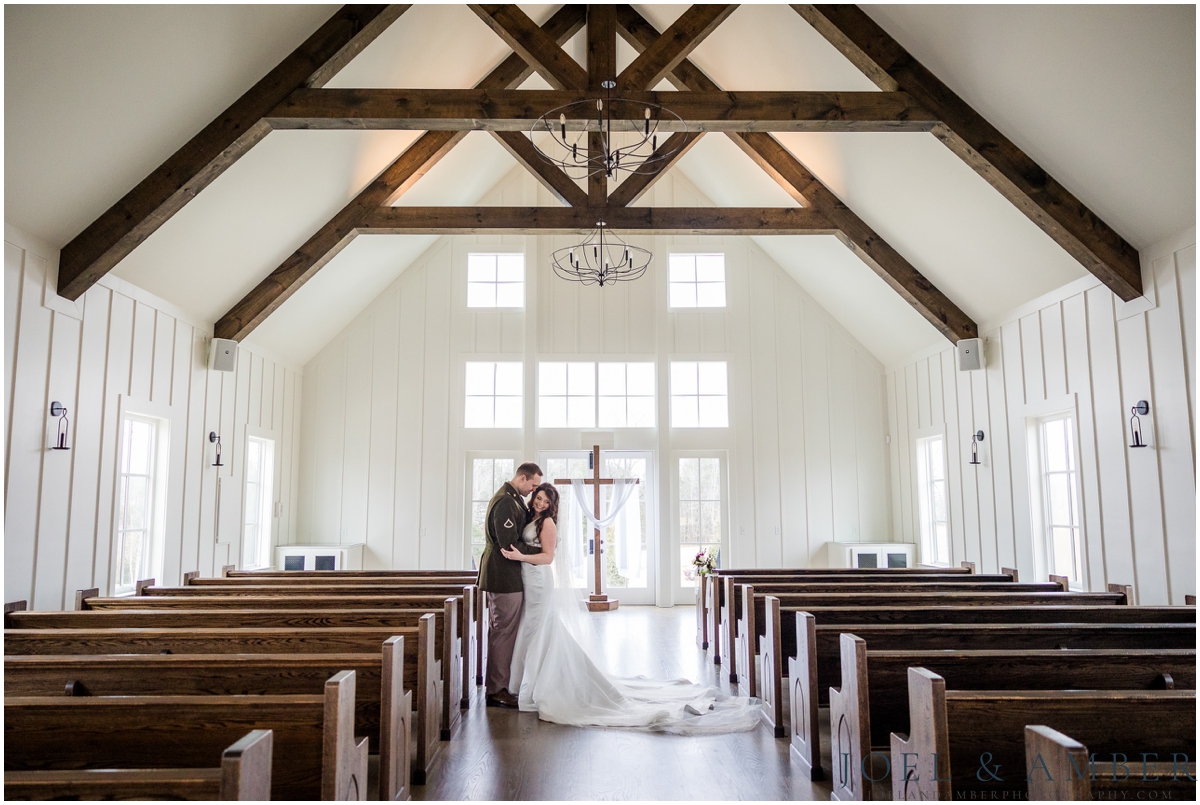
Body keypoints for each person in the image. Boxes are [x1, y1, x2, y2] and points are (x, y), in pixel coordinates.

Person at [500, 482, 760, 734]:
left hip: (538, 580)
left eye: (546, 500)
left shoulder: (547, 523)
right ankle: (527, 680)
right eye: (539, 498)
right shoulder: (529, 517)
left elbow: (548, 557)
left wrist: (521, 556)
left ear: (552, 505)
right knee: (532, 628)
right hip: (527, 579)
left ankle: (538, 684)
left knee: (539, 627)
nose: (541, 502)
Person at [477, 462, 542, 708]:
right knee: (503, 632)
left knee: (505, 631)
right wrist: (541, 551)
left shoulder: (513, 499)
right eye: (533, 485)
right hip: (503, 576)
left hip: (509, 576)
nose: (533, 491)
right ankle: (496, 690)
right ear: (522, 478)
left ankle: (502, 684)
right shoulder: (505, 501)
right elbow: (509, 545)